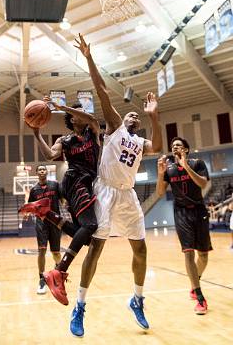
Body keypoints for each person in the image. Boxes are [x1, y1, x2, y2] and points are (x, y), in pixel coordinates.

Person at [63, 33, 162, 337]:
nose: (133, 115)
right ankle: (80, 307)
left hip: (128, 195)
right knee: (96, 250)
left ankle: (138, 299)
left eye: (136, 115)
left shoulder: (139, 140)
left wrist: (154, 116)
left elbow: (157, 145)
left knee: (141, 250)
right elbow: (102, 91)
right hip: (105, 191)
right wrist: (90, 57)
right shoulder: (115, 128)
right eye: (130, 113)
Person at [19, 100, 100, 305]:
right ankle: (59, 271)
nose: (83, 114)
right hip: (75, 182)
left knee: (88, 239)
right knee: (91, 225)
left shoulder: (93, 130)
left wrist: (62, 107)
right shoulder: (65, 140)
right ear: (72, 119)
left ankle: (48, 213)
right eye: (78, 112)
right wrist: (37, 133)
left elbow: (91, 118)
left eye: (82, 111)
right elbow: (50, 154)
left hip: (88, 183)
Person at [156, 137, 213, 315]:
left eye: (179, 145)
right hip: (181, 212)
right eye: (173, 146)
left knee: (203, 255)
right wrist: (160, 173)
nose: (175, 147)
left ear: (186, 149)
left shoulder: (197, 163)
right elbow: (159, 192)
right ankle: (200, 297)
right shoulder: (169, 169)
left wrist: (186, 166)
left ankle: (195, 280)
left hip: (199, 210)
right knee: (189, 253)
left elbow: (203, 184)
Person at [24, 165, 62, 295]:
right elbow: (30, 207)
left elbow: (63, 200)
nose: (42, 171)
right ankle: (42, 279)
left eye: (43, 169)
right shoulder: (34, 190)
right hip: (41, 223)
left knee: (56, 253)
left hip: (55, 222)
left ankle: (58, 276)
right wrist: (27, 212)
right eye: (39, 170)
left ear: (47, 172)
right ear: (37, 173)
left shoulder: (55, 185)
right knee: (42, 251)